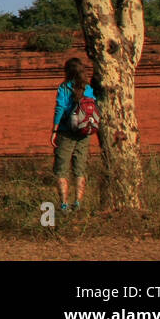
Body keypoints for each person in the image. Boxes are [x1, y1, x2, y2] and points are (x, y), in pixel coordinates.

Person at [51, 57, 96, 212]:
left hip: (66, 131)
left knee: (61, 169)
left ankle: (64, 204)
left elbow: (60, 108)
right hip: (84, 132)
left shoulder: (64, 88)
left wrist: (55, 130)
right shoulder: (88, 88)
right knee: (80, 169)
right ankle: (78, 203)